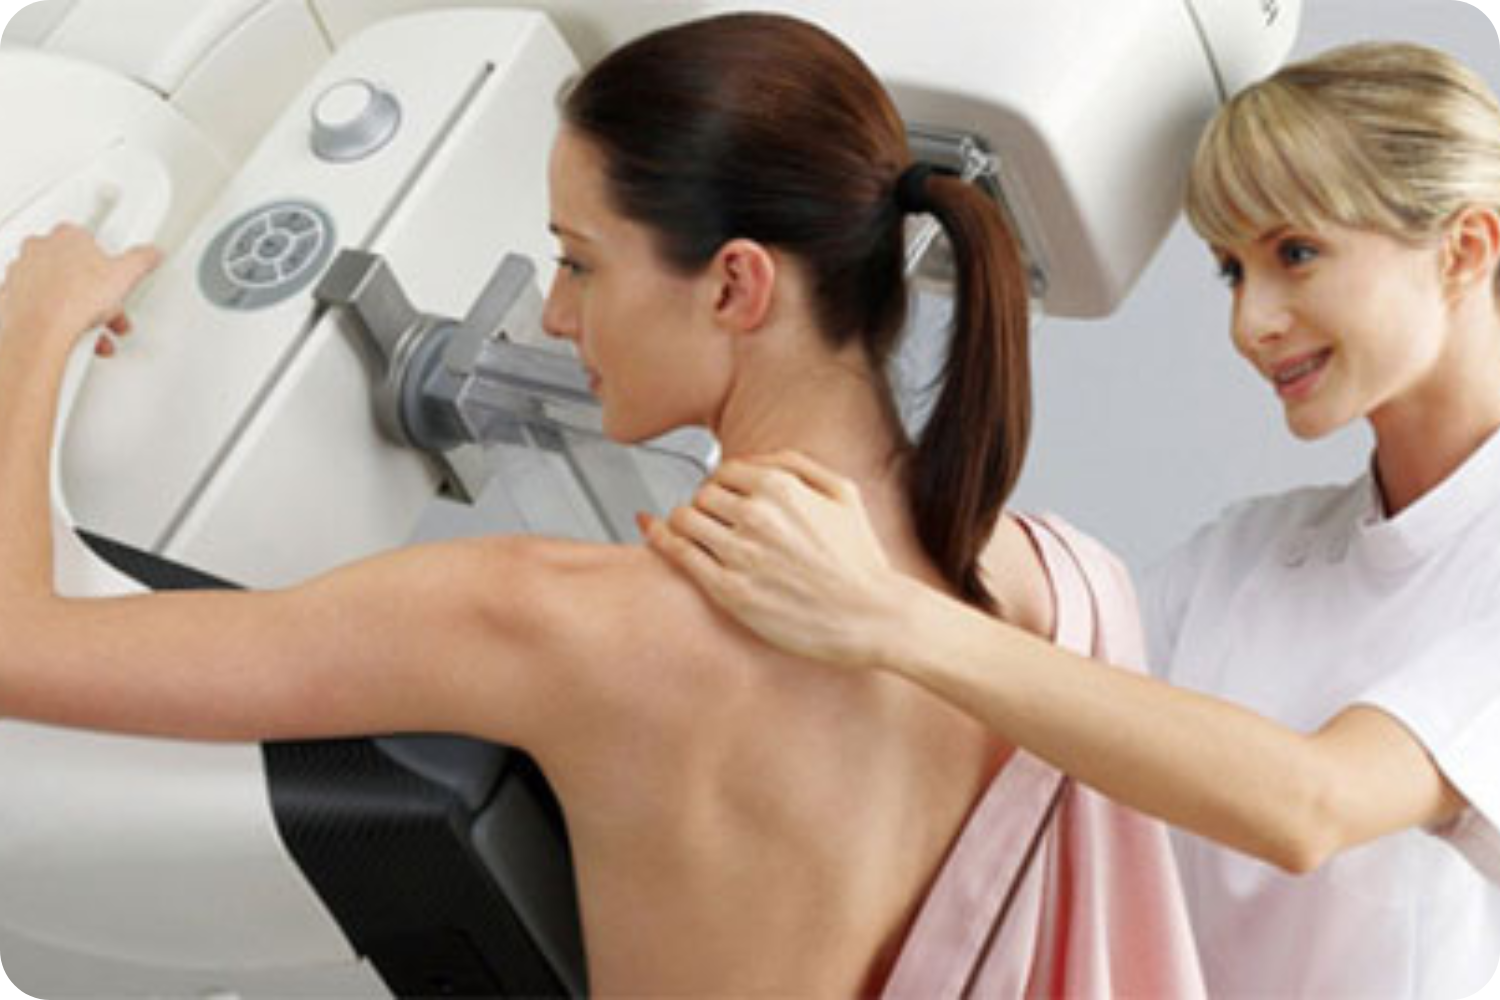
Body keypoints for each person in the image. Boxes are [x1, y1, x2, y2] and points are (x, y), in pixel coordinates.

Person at [0, 13, 1207, 996]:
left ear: (736, 285)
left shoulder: (561, 621)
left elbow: (17, 644)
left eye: (580, 261)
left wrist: (35, 325)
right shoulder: (1060, 589)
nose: (554, 312)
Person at [647, 39, 1500, 998]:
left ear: (1465, 250)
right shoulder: (1249, 556)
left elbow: (1311, 806)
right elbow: (1046, 708)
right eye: (1231, 271)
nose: (1250, 323)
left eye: (1296, 254)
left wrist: (887, 614)